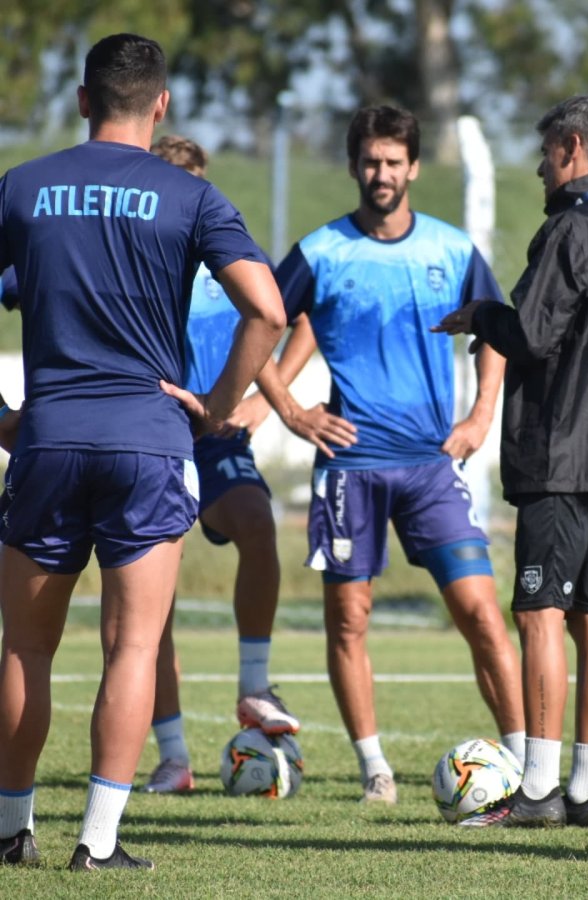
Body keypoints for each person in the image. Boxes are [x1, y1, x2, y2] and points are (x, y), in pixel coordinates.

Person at [0, 34, 285, 870]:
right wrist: (221, 408)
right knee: (131, 647)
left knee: (23, 648)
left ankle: (12, 831)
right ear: (160, 104)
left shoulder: (22, 186)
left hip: (48, 438)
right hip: (150, 441)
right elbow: (265, 310)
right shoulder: (188, 196)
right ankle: (98, 841)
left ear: (83, 100)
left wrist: (2, 418)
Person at [259, 105, 525, 805]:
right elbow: (257, 326)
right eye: (370, 162)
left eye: (393, 162)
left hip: (433, 466)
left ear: (412, 167)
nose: (382, 173)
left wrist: (479, 416)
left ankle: (528, 763)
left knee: (482, 613)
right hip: (349, 469)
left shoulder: (451, 248)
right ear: (355, 167)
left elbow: (495, 331)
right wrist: (290, 410)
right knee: (349, 620)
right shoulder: (321, 251)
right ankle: (375, 769)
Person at [436, 94, 588, 827]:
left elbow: (532, 335)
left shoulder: (570, 228)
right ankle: (586, 790)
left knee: (541, 614)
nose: (540, 168)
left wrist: (480, 315)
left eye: (545, 153)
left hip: (561, 453)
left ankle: (537, 791)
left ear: (572, 147)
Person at [140, 136, 332, 793]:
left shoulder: (229, 256)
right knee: (150, 599)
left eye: (194, 183)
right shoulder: (132, 255)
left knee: (258, 522)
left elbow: (281, 320)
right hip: (149, 432)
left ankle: (255, 685)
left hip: (216, 434)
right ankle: (173, 757)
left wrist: (263, 402)